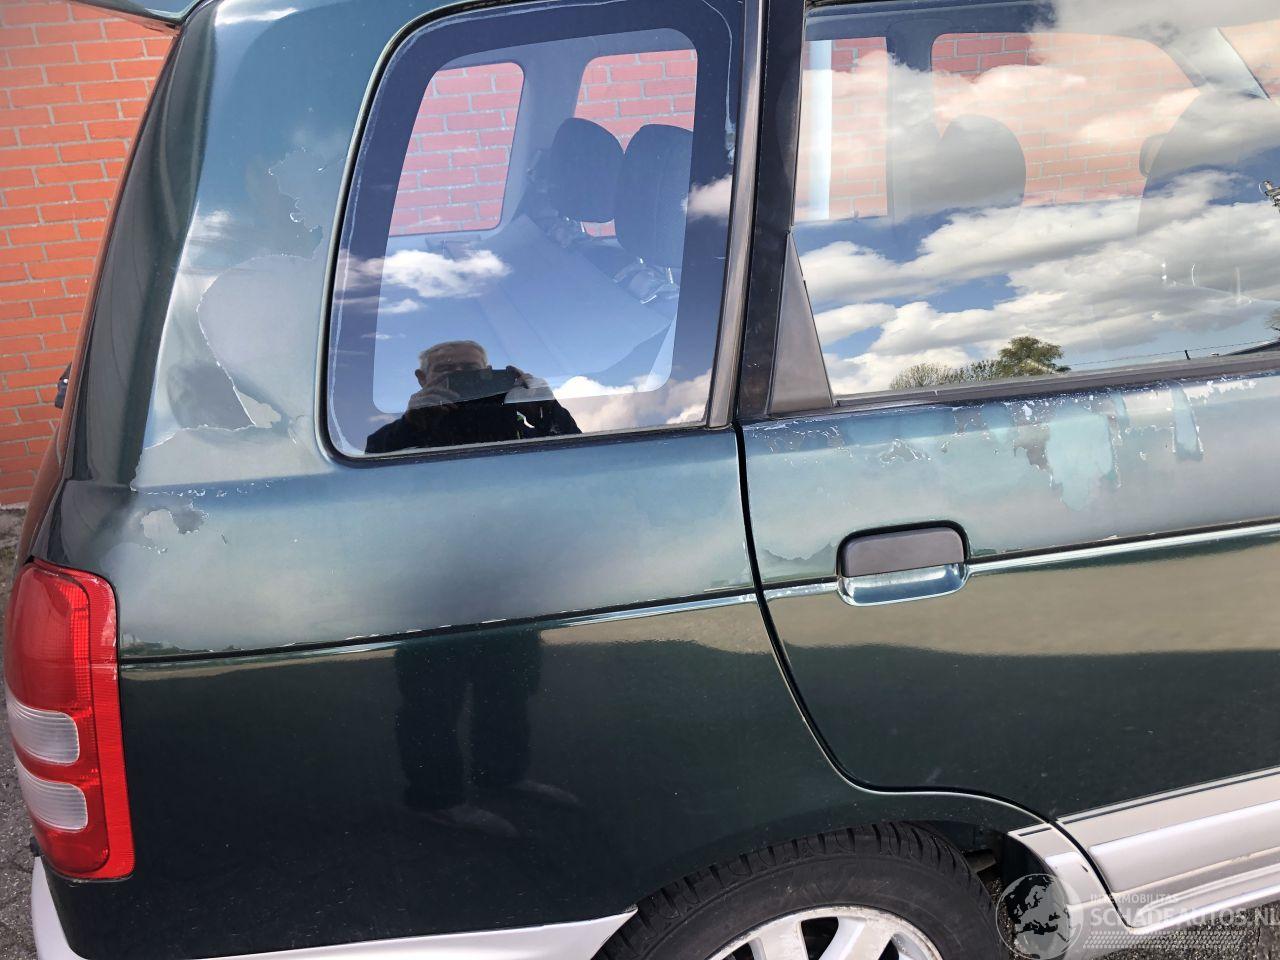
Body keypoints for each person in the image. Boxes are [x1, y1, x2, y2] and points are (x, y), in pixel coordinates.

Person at [366, 340, 580, 453]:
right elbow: (373, 464)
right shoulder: (404, 431)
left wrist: (545, 410)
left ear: (487, 372)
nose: (459, 374)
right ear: (422, 378)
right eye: (445, 369)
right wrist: (410, 425)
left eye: (469, 369)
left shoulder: (516, 425)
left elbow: (576, 455)